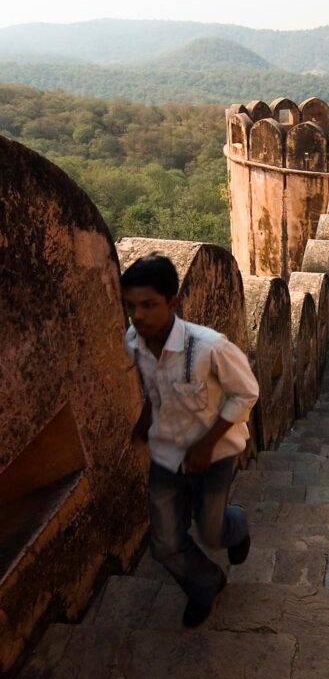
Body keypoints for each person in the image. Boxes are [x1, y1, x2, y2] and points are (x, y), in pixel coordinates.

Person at [121, 253, 259, 627]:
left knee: (212, 534)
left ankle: (238, 525)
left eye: (149, 305)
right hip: (166, 456)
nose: (139, 315)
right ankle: (206, 584)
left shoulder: (209, 348)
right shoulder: (133, 341)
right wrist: (146, 416)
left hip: (214, 460)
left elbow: (246, 394)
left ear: (172, 303)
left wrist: (206, 444)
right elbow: (154, 384)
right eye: (131, 306)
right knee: (165, 545)